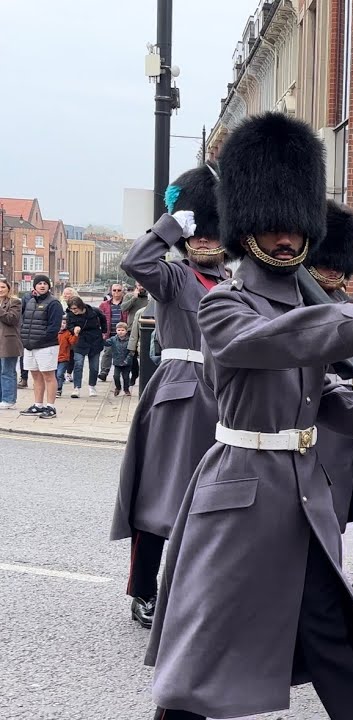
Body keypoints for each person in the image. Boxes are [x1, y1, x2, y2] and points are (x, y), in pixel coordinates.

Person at [146, 112, 353, 720]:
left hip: (302, 493)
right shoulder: (224, 305)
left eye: (295, 229)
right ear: (247, 230)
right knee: (209, 642)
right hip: (242, 491)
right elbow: (274, 342)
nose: (286, 240)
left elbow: (321, 397)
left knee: (328, 633)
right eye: (273, 229)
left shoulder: (303, 307)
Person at [111, 163, 229, 629]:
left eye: (212, 234)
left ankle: (199, 589)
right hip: (181, 391)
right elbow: (135, 263)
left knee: (214, 501)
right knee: (160, 498)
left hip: (226, 394)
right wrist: (169, 227)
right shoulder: (174, 276)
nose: (204, 242)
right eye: (198, 235)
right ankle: (143, 590)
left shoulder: (234, 282)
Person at [306, 199, 353, 535]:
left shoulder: (339, 299)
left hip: (352, 422)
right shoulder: (302, 302)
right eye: (326, 261)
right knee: (325, 518)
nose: (334, 270)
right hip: (324, 419)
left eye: (340, 264)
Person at [17, 274, 63, 418]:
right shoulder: (30, 301)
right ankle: (38, 405)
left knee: (48, 376)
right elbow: (23, 322)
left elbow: (54, 327)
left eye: (45, 283)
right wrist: (25, 339)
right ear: (34, 286)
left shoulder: (54, 303)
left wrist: (40, 340)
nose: (42, 286)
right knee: (35, 376)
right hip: (30, 346)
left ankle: (51, 407)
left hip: (46, 346)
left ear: (49, 286)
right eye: (39, 283)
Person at [65, 296, 106, 398]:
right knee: (78, 364)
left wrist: (104, 331)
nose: (74, 311)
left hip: (94, 339)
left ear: (80, 306)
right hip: (80, 340)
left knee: (94, 366)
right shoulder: (70, 315)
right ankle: (77, 387)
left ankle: (92, 386)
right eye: (71, 309)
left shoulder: (94, 311)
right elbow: (69, 326)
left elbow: (103, 318)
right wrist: (74, 329)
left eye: (75, 308)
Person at [97, 283, 129, 383]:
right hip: (110, 333)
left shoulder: (126, 304)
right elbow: (98, 318)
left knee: (124, 353)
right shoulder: (104, 304)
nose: (116, 292)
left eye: (119, 290)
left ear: (122, 291)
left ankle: (125, 374)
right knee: (107, 353)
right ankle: (104, 372)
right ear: (111, 291)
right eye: (114, 290)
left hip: (124, 334)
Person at [0, 279, 21, 409]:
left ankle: (9, 399)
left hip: (8, 342)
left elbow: (12, 319)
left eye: (3, 287)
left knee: (7, 371)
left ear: (8, 288)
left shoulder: (15, 302)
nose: (0, 289)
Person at [105, 322, 133, 396]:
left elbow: (131, 351)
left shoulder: (129, 340)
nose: (120, 332)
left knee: (126, 377)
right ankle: (118, 387)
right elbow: (106, 343)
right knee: (116, 376)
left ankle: (126, 389)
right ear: (116, 330)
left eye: (122, 330)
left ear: (126, 331)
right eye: (119, 330)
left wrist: (127, 360)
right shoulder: (113, 339)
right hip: (117, 362)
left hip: (127, 363)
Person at [55, 318, 74, 397]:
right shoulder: (54, 332)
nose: (62, 325)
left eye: (64, 323)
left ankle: (59, 389)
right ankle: (54, 388)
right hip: (54, 357)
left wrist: (75, 335)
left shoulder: (67, 333)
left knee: (59, 374)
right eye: (61, 323)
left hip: (64, 358)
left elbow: (72, 342)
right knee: (54, 375)